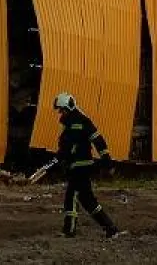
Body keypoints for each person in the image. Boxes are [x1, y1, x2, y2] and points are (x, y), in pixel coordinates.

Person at [52, 92, 123, 239]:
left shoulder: (78, 122)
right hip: (79, 166)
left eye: (62, 109)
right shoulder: (77, 121)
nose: (61, 113)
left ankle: (69, 231)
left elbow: (95, 142)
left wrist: (107, 162)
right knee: (87, 200)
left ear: (69, 107)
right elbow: (93, 141)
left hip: (81, 167)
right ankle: (111, 228)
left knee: (71, 197)